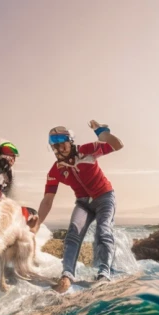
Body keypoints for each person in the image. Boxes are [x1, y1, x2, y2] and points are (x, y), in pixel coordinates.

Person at [35, 120, 123, 293]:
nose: (60, 149)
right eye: (55, 146)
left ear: (71, 142)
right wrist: (36, 224)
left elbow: (117, 145)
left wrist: (101, 132)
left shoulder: (87, 150)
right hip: (83, 202)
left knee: (103, 231)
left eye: (63, 145)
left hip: (104, 197)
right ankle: (67, 274)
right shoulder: (55, 170)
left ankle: (104, 274)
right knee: (72, 234)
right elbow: (47, 200)